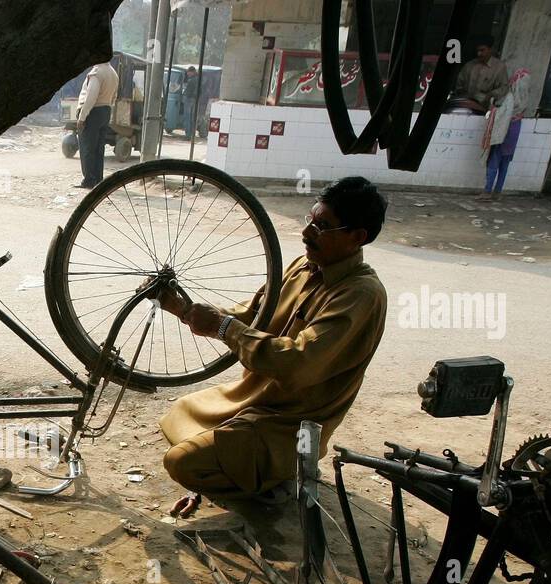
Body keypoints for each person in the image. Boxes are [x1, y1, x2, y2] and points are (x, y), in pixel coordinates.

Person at [158, 176, 390, 513]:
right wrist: (185, 309)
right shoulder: (303, 267)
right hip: (255, 398)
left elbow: (296, 363)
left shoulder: (360, 295)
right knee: (176, 415)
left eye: (323, 226)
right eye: (310, 220)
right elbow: (252, 315)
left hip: (293, 424)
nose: (308, 232)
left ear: (357, 237)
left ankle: (275, 486)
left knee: (181, 462)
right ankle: (241, 469)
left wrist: (223, 327)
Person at [480, 67, 530, 199]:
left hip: (503, 132)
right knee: (504, 164)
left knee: (494, 161)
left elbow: (499, 111)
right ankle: (497, 192)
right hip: (514, 131)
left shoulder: (509, 97)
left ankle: (487, 191)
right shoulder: (524, 100)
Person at [74, 60, 118, 189]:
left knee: (87, 148)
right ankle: (98, 180)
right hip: (106, 110)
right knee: (99, 148)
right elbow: (114, 96)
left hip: (93, 112)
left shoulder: (97, 73)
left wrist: (82, 117)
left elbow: (90, 97)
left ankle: (88, 180)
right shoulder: (113, 73)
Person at [453, 35, 509, 113]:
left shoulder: (499, 67)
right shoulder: (469, 65)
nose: (479, 54)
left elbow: (504, 88)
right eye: (477, 51)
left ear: (490, 49)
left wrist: (490, 95)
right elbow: (459, 85)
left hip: (486, 110)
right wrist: (463, 94)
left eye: (482, 50)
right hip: (465, 107)